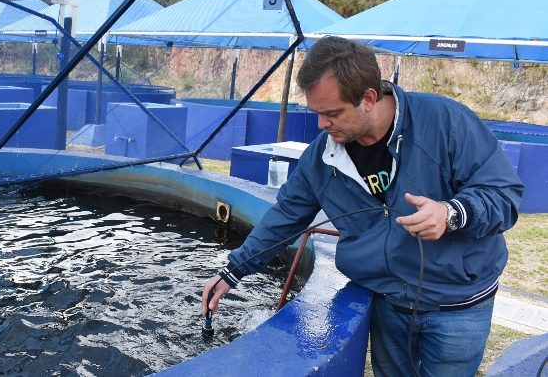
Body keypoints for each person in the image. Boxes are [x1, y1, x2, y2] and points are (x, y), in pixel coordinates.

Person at [201, 36, 523, 376]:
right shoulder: (321, 157)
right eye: (316, 113)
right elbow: (285, 216)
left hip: (457, 304)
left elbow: (504, 194)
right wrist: (233, 270)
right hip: (387, 303)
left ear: (369, 98)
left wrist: (452, 214)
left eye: (333, 113)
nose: (322, 125)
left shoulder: (446, 121)